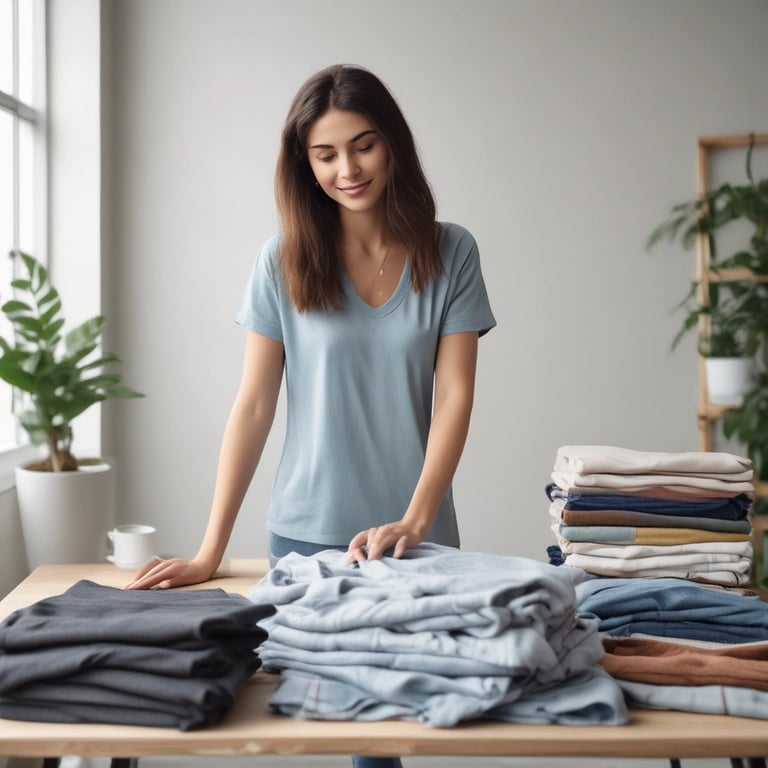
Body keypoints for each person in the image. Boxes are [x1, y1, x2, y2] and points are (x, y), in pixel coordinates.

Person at [126, 64, 495, 767]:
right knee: (309, 724)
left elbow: (455, 395)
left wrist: (417, 519)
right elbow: (255, 404)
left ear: (394, 146)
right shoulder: (283, 259)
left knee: (386, 735)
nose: (346, 169)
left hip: (413, 538)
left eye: (363, 146)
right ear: (304, 163)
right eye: (324, 154)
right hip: (304, 534)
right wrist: (210, 549)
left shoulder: (453, 252)